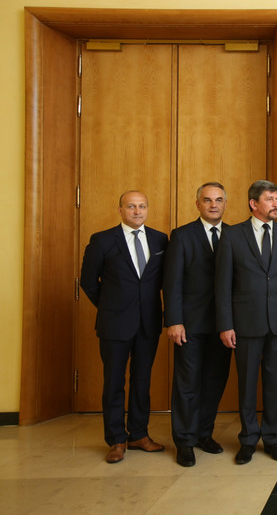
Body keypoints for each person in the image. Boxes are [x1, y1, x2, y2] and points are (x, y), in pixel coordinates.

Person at [215, 180, 277, 465]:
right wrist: (225, 324)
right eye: (270, 199)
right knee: (247, 384)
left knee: (276, 385)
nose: (276, 204)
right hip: (245, 323)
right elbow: (223, 284)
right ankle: (248, 440)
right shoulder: (232, 235)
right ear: (254, 204)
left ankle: (273, 438)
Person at [80, 190, 169, 464]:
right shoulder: (103, 240)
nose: (137, 211)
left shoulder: (160, 239)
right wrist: (110, 307)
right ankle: (116, 439)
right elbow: (88, 282)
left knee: (142, 381)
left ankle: (139, 434)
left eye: (142, 206)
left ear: (147, 209)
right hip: (115, 324)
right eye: (131, 206)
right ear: (120, 210)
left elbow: (163, 279)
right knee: (114, 383)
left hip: (148, 323)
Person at [163, 182, 231, 467]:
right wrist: (174, 321)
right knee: (187, 384)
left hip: (224, 326)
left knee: (214, 382)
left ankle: (204, 434)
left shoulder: (234, 235)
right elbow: (172, 282)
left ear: (225, 203)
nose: (213, 205)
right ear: (198, 204)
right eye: (207, 200)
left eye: (218, 200)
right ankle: (185, 441)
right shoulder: (182, 236)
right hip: (189, 325)